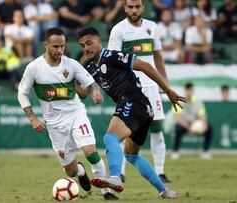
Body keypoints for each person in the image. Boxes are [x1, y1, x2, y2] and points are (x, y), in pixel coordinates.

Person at [77, 27, 185, 199]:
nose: (86, 48)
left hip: (134, 102)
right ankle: (164, 191)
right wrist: (67, 81)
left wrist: (167, 90)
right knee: (131, 155)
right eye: (82, 45)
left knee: (110, 138)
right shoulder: (90, 67)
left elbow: (145, 66)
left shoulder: (112, 56)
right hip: (142, 109)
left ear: (99, 41)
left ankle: (114, 177)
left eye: (89, 43)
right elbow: (83, 93)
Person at [17, 27, 118, 200]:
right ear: (45, 44)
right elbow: (22, 93)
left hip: (76, 115)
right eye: (55, 46)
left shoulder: (71, 64)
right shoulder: (34, 68)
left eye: (62, 46)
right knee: (70, 171)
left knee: (91, 152)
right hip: (55, 124)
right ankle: (80, 171)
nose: (59, 50)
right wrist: (33, 118)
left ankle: (106, 192)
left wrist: (95, 91)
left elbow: (90, 81)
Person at [108, 0, 170, 183]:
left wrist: (164, 82)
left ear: (143, 8)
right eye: (130, 7)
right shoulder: (118, 30)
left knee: (157, 127)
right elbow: (112, 61)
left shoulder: (152, 27)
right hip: (131, 87)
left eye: (137, 7)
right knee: (124, 128)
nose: (134, 10)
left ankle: (160, 171)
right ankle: (120, 171)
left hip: (151, 85)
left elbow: (158, 55)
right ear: (125, 8)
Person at [171, 82, 213, 160]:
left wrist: (203, 124)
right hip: (183, 125)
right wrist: (189, 127)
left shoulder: (198, 102)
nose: (190, 92)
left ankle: (205, 151)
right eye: (189, 90)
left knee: (209, 128)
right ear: (185, 90)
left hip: (195, 124)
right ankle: (175, 151)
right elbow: (178, 118)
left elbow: (202, 116)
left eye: (191, 90)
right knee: (177, 129)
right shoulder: (178, 101)